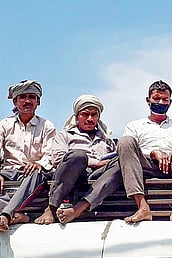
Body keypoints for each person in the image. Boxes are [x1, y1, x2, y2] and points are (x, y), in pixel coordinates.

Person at [0, 80, 55, 231]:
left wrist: (38, 164)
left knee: (38, 173)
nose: (27, 101)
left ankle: (6, 214)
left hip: (32, 175)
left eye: (31, 97)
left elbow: (51, 155)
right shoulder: (5, 124)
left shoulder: (47, 126)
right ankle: (16, 214)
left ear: (38, 101)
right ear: (15, 101)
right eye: (23, 97)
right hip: (8, 171)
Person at [116, 80, 172, 223]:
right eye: (156, 98)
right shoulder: (135, 125)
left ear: (170, 102)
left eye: (165, 99)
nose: (161, 102)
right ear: (148, 101)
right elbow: (127, 150)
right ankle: (142, 207)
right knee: (125, 141)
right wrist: (153, 153)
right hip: (146, 166)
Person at [36, 95, 120, 225]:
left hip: (98, 179)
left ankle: (79, 208)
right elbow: (58, 159)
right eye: (85, 114)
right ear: (77, 116)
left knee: (120, 162)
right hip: (74, 176)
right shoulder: (65, 135)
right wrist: (94, 163)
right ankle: (52, 208)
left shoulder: (107, 140)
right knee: (78, 155)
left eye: (94, 115)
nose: (90, 119)